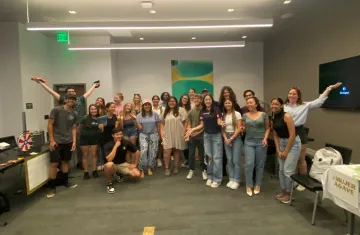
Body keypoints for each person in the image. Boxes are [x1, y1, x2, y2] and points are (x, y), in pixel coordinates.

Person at [32, 76, 100, 169]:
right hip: (66, 129)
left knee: (80, 147)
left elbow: (88, 93)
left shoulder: (80, 100)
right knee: (65, 149)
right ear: (66, 95)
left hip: (78, 127)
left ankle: (80, 163)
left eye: (73, 92)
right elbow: (51, 92)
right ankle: (63, 164)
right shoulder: (63, 100)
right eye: (69, 92)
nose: (71, 93)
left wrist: (94, 86)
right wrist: (41, 83)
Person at [284, 82, 341, 191]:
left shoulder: (304, 105)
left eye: (294, 94)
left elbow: (319, 102)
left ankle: (303, 181)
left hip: (299, 131)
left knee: (301, 159)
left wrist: (329, 88)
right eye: (290, 93)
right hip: (286, 132)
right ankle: (291, 181)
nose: (291, 95)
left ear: (298, 96)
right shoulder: (284, 107)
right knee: (289, 158)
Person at [186, 94, 224, 188]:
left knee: (216, 158)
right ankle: (210, 177)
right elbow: (202, 125)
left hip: (216, 136)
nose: (207, 101)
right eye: (206, 99)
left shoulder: (216, 109)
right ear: (204, 101)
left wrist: (221, 123)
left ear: (212, 100)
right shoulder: (202, 111)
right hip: (207, 136)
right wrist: (193, 129)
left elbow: (219, 120)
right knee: (208, 157)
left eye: (209, 99)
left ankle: (217, 179)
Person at [47, 94, 78, 199]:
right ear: (65, 100)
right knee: (54, 164)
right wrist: (51, 140)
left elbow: (74, 128)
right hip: (56, 142)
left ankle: (66, 182)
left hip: (68, 141)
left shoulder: (74, 113)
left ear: (75, 102)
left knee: (65, 162)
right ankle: (52, 187)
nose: (71, 101)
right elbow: (50, 124)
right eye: (69, 99)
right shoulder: (56, 110)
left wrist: (74, 141)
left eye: (73, 99)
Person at [271, 98, 301, 204]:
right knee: (281, 170)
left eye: (276, 104)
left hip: (292, 144)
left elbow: (292, 135)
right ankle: (283, 191)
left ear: (281, 105)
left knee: (288, 170)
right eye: (272, 104)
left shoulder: (286, 116)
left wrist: (286, 151)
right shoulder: (273, 117)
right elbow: (275, 135)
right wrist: (279, 150)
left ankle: (289, 194)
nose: (273, 106)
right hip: (281, 142)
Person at [242, 97, 270, 196]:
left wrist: (265, 138)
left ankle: (258, 184)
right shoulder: (244, 116)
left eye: (251, 102)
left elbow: (267, 128)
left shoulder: (263, 115)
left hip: (261, 142)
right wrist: (242, 129)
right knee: (249, 164)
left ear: (256, 104)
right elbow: (244, 129)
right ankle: (249, 185)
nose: (249, 104)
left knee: (259, 164)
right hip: (249, 142)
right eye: (247, 103)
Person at [103, 127, 141, 194]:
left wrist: (135, 164)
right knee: (109, 165)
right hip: (112, 164)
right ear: (113, 135)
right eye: (117, 134)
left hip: (122, 164)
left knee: (137, 174)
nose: (119, 136)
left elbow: (137, 151)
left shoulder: (126, 142)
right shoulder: (108, 145)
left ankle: (119, 173)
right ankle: (109, 184)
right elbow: (109, 159)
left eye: (121, 134)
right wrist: (115, 146)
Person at [159, 96, 188, 176]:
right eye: (170, 101)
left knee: (176, 150)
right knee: (166, 151)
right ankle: (167, 168)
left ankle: (176, 167)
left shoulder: (181, 110)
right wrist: (161, 132)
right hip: (167, 133)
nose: (171, 103)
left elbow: (185, 121)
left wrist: (184, 131)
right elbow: (161, 123)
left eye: (173, 101)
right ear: (167, 103)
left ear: (176, 102)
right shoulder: (165, 111)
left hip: (178, 133)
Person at [222, 99, 243, 190]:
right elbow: (222, 129)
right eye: (226, 103)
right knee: (229, 160)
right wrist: (226, 138)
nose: (227, 104)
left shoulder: (237, 114)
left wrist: (231, 138)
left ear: (232, 104)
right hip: (226, 137)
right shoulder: (223, 115)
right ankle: (231, 178)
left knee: (236, 160)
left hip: (235, 137)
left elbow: (239, 128)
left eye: (229, 103)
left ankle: (237, 180)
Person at [184, 94, 207, 180]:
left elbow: (204, 125)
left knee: (203, 154)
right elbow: (189, 123)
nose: (196, 100)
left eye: (198, 98)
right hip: (192, 136)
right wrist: (189, 131)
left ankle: (204, 170)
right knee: (191, 154)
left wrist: (197, 132)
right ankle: (191, 170)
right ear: (193, 100)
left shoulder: (204, 111)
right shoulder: (190, 112)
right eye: (195, 98)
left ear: (201, 100)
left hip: (203, 135)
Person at [136, 99, 160, 178]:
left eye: (148, 104)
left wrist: (159, 135)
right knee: (143, 151)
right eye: (145, 105)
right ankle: (142, 169)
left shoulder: (155, 114)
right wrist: (135, 120)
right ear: (143, 106)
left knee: (153, 152)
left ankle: (150, 167)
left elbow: (158, 125)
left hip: (154, 134)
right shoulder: (139, 115)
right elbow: (139, 128)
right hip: (143, 135)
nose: (147, 106)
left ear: (151, 105)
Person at [79, 104, 103, 180]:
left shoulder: (100, 119)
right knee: (85, 155)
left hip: (95, 139)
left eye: (95, 109)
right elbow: (79, 128)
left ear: (97, 110)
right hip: (84, 138)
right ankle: (86, 172)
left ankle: (94, 170)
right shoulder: (85, 118)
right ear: (89, 110)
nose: (93, 111)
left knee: (94, 155)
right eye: (92, 109)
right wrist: (84, 134)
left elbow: (101, 130)